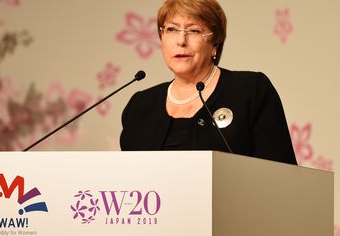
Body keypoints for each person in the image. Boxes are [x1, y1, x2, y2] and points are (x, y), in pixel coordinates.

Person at [120, 0, 297, 165]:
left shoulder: (251, 91)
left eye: (194, 31)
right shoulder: (140, 106)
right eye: (171, 29)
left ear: (215, 44)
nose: (181, 41)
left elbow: (280, 177)